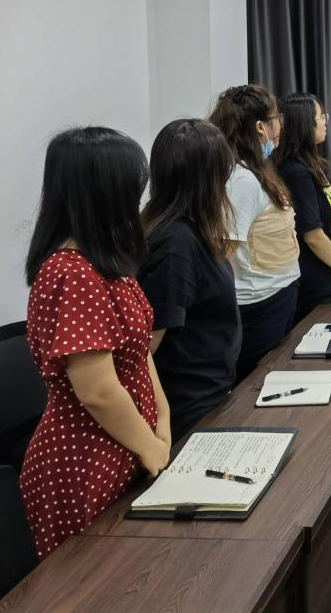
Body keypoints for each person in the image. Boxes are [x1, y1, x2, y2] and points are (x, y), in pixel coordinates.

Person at [19, 127, 170, 560]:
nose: (137, 203)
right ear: (102, 197)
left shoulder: (105, 262)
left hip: (129, 443)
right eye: (131, 192)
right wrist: (150, 446)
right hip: (87, 459)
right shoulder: (70, 274)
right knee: (93, 579)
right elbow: (97, 391)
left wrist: (162, 417)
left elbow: (137, 352)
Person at [139, 119, 242, 440]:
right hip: (189, 411)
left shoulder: (192, 228)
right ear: (207, 179)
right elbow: (144, 350)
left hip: (212, 396)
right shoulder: (175, 244)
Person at [209, 85, 300, 381]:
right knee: (256, 385)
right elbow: (223, 253)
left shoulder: (256, 169)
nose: (281, 125)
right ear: (261, 127)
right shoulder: (242, 180)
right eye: (277, 118)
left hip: (276, 294)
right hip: (258, 304)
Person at [277, 93, 331, 322]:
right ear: (305, 124)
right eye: (321, 117)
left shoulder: (313, 165)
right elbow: (312, 234)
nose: (325, 122)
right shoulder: (296, 172)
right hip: (315, 282)